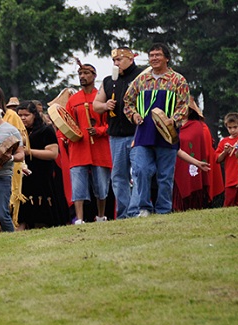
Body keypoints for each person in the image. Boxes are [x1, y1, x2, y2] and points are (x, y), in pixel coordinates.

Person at [122, 43, 191, 217]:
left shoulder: (178, 80)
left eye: (158, 55)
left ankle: (163, 210)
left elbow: (183, 107)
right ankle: (144, 207)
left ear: (167, 58)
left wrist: (172, 121)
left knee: (165, 175)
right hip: (143, 134)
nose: (154, 58)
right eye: (151, 55)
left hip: (168, 134)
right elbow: (127, 102)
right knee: (140, 170)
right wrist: (134, 116)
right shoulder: (141, 80)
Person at [93, 47, 142, 219]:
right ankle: (123, 213)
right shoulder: (108, 81)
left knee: (138, 172)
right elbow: (95, 105)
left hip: (137, 132)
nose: (116, 64)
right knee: (118, 175)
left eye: (119, 60)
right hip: (116, 136)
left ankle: (135, 210)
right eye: (114, 61)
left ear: (130, 59)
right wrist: (105, 106)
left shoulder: (141, 77)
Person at [63, 62, 112, 224]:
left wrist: (98, 131)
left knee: (101, 186)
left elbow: (110, 125)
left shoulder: (102, 98)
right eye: (80, 74)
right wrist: (69, 136)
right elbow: (66, 123)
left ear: (94, 75)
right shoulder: (73, 100)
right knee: (78, 185)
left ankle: (100, 215)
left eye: (86, 73)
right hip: (79, 147)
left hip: (99, 147)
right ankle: (80, 218)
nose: (82, 76)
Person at [16, 101, 70, 230]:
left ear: (34, 115)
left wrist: (29, 151)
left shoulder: (45, 130)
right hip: (24, 176)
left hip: (42, 176)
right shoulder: (18, 132)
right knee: (24, 209)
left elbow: (53, 153)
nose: (23, 118)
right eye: (20, 115)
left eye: (26, 115)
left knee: (42, 211)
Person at [0, 84, 29, 229]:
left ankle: (11, 238)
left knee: (1, 213)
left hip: (2, 176)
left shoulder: (11, 129)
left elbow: (21, 153)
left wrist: (11, 158)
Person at [172, 101, 214, 211]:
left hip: (190, 165)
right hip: (173, 162)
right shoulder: (172, 124)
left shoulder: (197, 127)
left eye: (184, 108)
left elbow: (200, 148)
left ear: (190, 110)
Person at [216, 112, 238, 206]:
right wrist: (225, 152)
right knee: (228, 204)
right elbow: (217, 160)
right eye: (229, 128)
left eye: (235, 127)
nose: (232, 130)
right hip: (230, 180)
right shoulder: (224, 141)